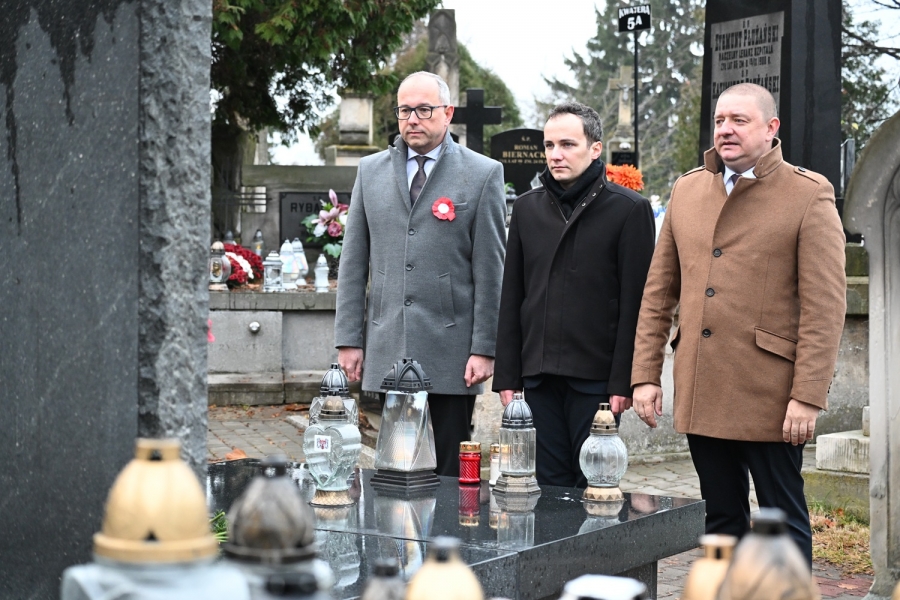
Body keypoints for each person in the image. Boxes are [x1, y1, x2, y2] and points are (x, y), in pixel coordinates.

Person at [631, 83, 846, 565]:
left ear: (771, 128)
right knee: (721, 520)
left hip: (770, 394)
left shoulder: (807, 194)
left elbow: (825, 307)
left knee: (781, 522)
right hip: (703, 383)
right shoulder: (688, 189)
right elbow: (659, 293)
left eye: (739, 121)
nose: (725, 130)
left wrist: (808, 395)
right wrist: (645, 374)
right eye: (719, 121)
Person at [334, 71, 507, 477]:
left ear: (448, 113)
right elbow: (353, 262)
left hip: (451, 350)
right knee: (394, 467)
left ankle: (451, 524)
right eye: (405, 110)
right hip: (388, 343)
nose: (413, 119)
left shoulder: (482, 173)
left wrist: (485, 348)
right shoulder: (370, 171)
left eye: (424, 110)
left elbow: (490, 269)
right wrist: (348, 340)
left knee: (449, 470)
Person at [493, 101, 656, 488]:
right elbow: (513, 295)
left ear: (595, 148)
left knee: (594, 484)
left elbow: (636, 305)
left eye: (567, 144)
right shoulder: (527, 208)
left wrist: (623, 382)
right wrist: (508, 376)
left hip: (595, 378)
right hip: (538, 377)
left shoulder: (628, 209)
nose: (556, 154)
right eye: (549, 145)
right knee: (548, 487)